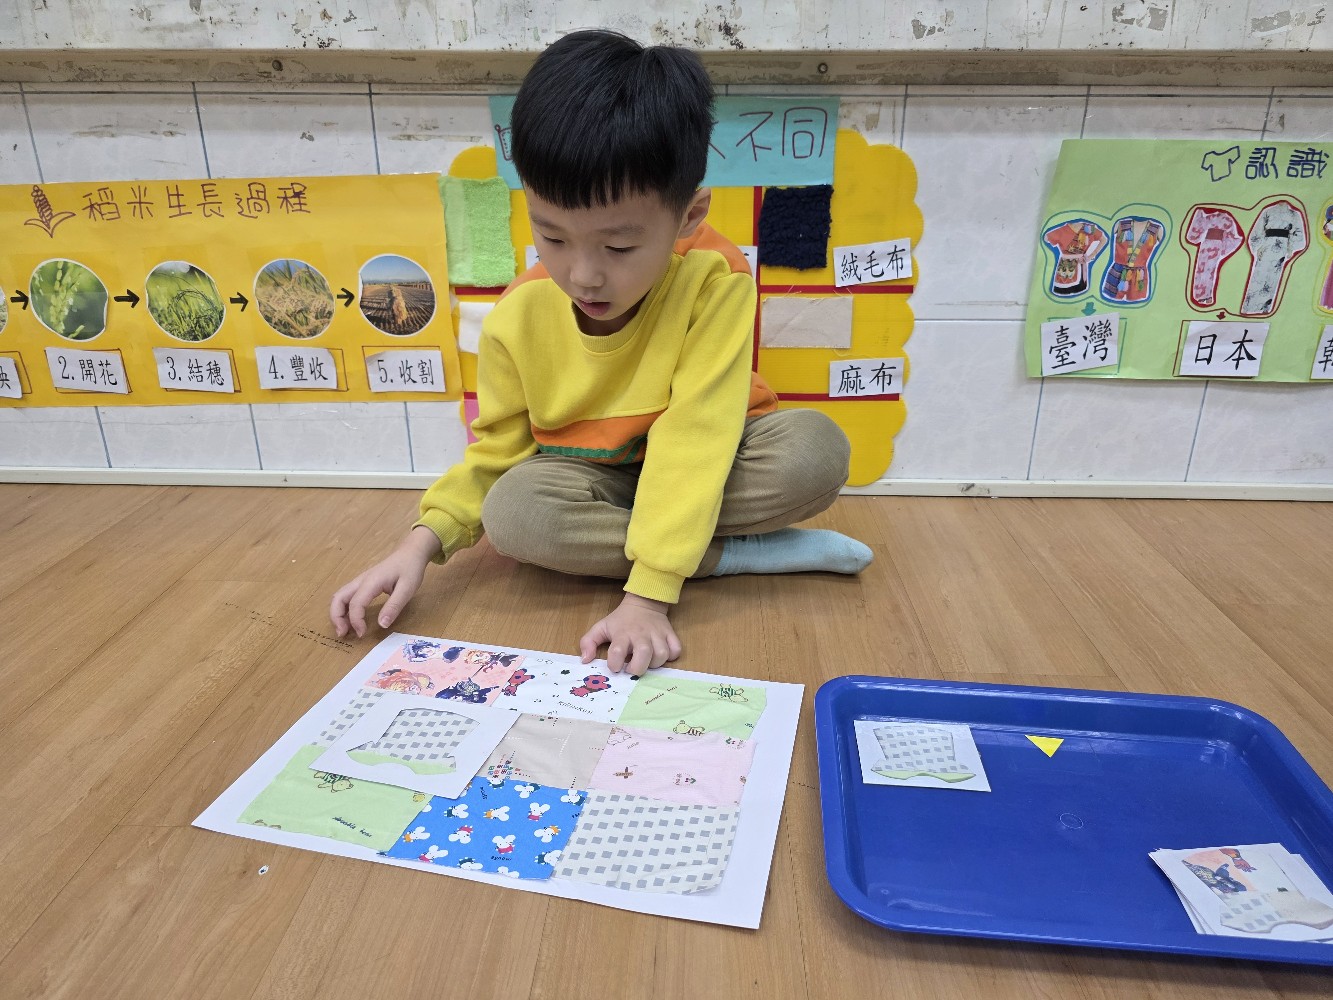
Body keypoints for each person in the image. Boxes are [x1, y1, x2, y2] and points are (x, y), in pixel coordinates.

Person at [331, 29, 871, 675]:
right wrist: (419, 544)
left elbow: (699, 430)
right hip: (596, 478)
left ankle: (673, 549)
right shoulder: (517, 317)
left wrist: (647, 598)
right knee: (516, 515)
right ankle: (734, 554)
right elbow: (498, 452)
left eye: (618, 247)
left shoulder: (714, 278)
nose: (583, 275)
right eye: (552, 238)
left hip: (714, 456)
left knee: (814, 449)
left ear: (689, 215)